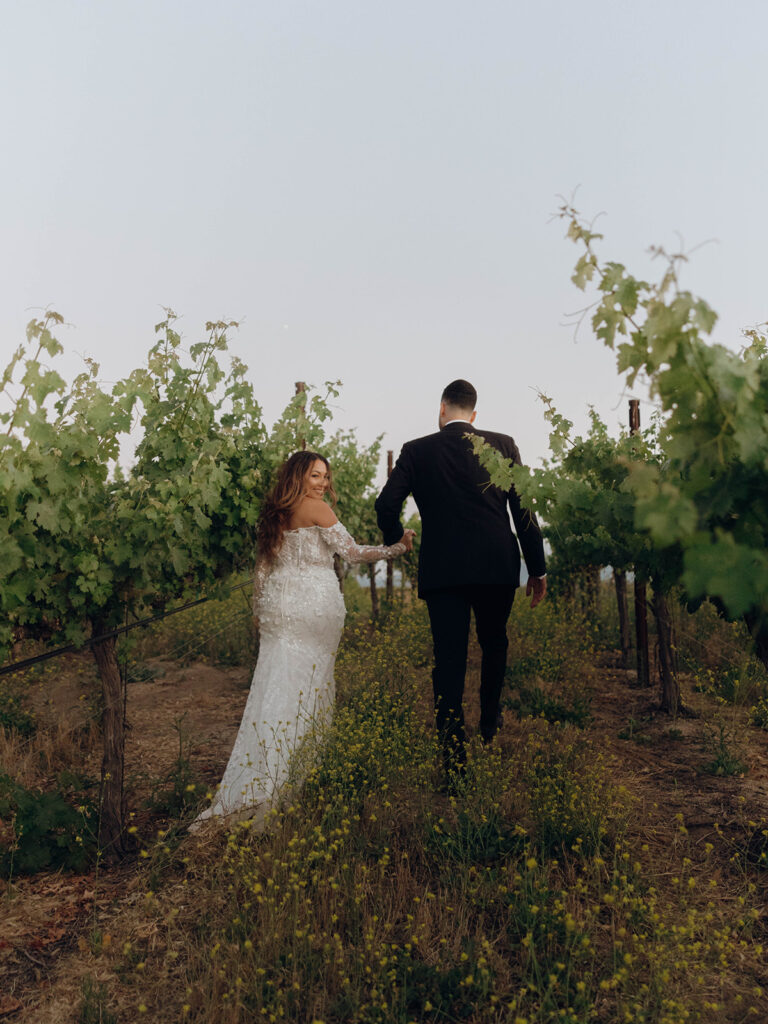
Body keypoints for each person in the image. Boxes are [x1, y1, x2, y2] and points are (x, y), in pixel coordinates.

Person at [192, 450, 412, 830]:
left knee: (274, 687)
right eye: (315, 476)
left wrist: (260, 611)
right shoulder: (318, 509)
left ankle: (261, 776)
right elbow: (354, 554)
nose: (322, 484)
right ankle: (287, 779)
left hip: (279, 608)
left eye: (325, 477)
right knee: (308, 689)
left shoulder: (274, 514)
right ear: (299, 476)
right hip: (314, 608)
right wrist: (398, 548)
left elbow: (262, 569)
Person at [374, 379, 546, 783]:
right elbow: (524, 511)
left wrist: (395, 540)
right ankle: (489, 722)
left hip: (444, 570)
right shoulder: (503, 445)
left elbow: (385, 503)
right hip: (495, 565)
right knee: (494, 643)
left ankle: (453, 761)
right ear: (473, 414)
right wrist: (536, 569)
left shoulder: (417, 450)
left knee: (448, 661)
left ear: (441, 409)